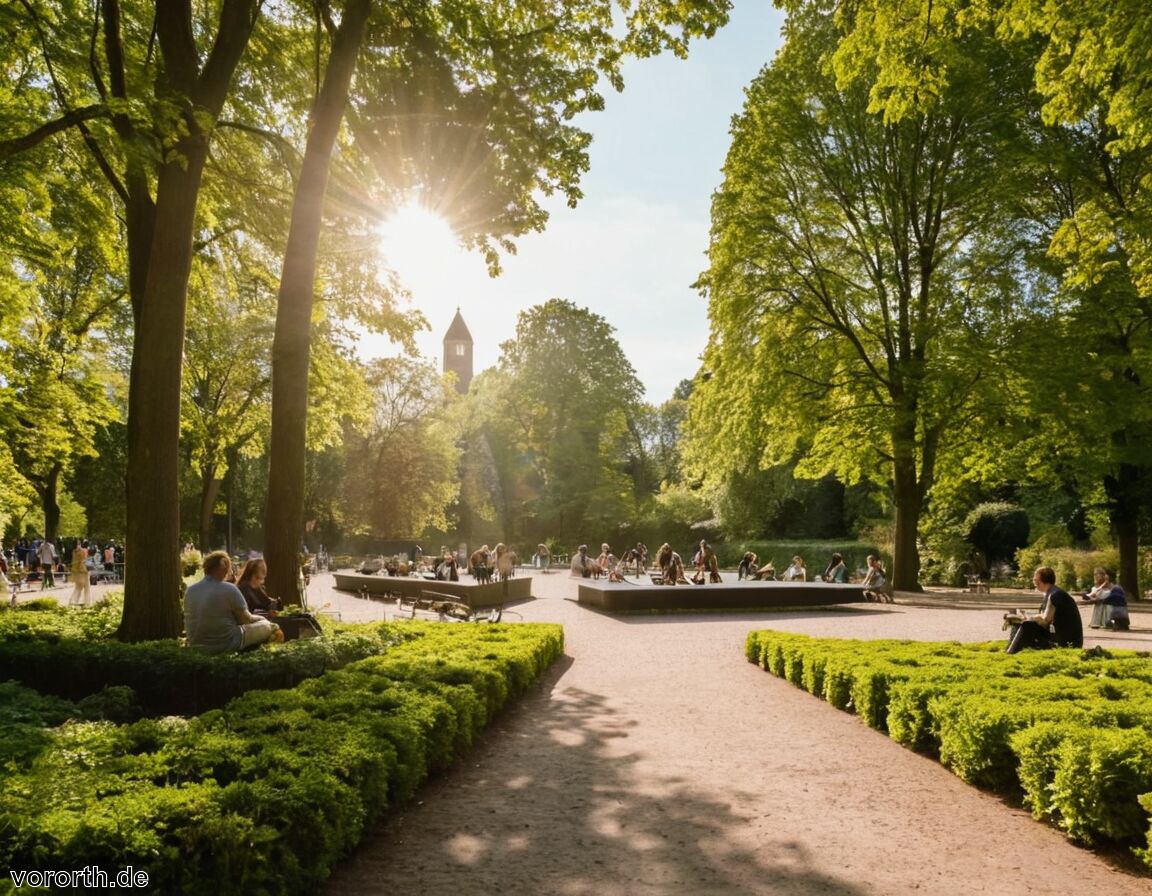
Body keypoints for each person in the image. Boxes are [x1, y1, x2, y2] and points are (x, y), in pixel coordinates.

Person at [185, 551, 281, 653]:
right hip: (227, 643)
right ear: (223, 564)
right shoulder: (229, 588)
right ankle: (268, 658)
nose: (230, 571)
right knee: (271, 626)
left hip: (196, 646)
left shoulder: (190, 590)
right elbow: (246, 620)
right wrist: (262, 618)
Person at [1005, 566, 1083, 654]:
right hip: (1057, 634)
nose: (1034, 582)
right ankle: (1009, 649)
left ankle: (1011, 653)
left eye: (1036, 580)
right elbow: (1043, 616)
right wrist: (1024, 617)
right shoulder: (1051, 592)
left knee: (1027, 625)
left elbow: (1045, 621)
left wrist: (1027, 618)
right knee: (1018, 623)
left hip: (1066, 640)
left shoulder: (1055, 595)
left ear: (1042, 581)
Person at [1080, 566, 1130, 631]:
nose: (1095, 577)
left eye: (1097, 574)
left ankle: (1115, 623)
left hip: (1114, 610)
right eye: (1094, 575)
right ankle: (1104, 622)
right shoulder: (1096, 588)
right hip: (1101, 610)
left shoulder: (1115, 588)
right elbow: (1091, 595)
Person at [68, 540, 92, 607]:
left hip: (76, 572)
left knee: (78, 587)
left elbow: (74, 563)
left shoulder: (73, 552)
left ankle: (73, 601)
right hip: (83, 572)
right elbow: (83, 562)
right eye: (78, 544)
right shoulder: (82, 551)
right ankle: (86, 602)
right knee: (86, 588)